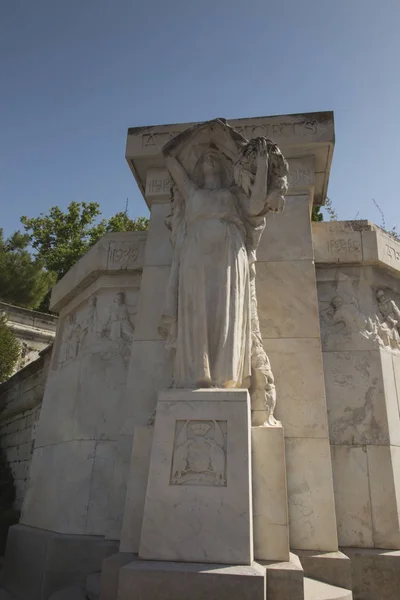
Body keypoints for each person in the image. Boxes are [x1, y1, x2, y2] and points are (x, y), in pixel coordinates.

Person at [159, 119, 288, 425]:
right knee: (197, 316)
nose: (211, 158)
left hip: (231, 257)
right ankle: (197, 375)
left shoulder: (233, 194)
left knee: (227, 316)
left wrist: (259, 160)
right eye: (205, 157)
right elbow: (168, 157)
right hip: (196, 259)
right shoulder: (190, 192)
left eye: (216, 157)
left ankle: (225, 376)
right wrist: (204, 132)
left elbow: (257, 206)